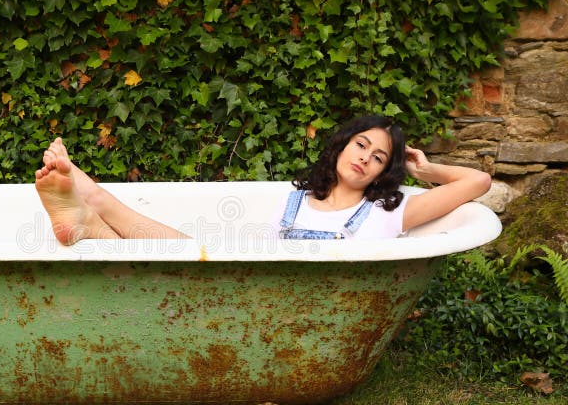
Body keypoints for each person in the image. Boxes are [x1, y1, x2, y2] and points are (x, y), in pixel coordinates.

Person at [34, 115, 491, 245]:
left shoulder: (391, 213)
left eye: (378, 158)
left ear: (382, 173)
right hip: (249, 286)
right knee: (185, 248)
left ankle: (91, 204)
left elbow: (478, 181)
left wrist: (425, 170)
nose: (365, 159)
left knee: (185, 250)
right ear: (342, 145)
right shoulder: (296, 198)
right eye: (360, 145)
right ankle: (90, 221)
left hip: (304, 309)